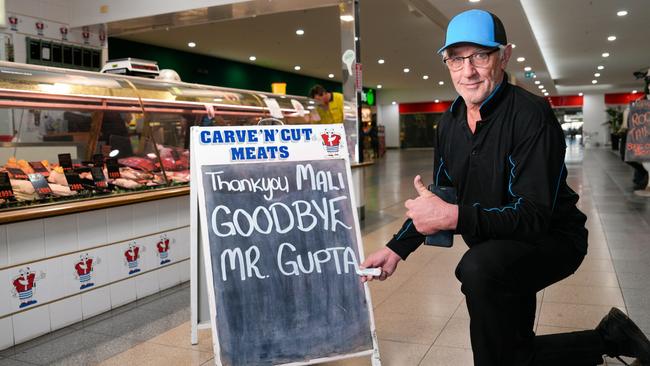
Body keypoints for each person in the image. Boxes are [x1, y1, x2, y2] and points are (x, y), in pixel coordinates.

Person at [361, 9, 650, 366]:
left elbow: (531, 214)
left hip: (551, 239)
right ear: (447, 62)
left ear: (504, 55)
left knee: (479, 270)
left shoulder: (530, 116)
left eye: (481, 56)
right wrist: (395, 250)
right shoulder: (448, 125)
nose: (468, 71)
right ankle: (608, 337)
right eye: (456, 59)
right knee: (513, 353)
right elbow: (440, 196)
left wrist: (453, 217)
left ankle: (603, 338)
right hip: (497, 244)